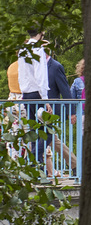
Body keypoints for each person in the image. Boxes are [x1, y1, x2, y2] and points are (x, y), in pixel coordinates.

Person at [18, 28, 50, 168]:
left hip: (26, 94)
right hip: (37, 94)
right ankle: (35, 160)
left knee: (33, 131)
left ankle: (36, 163)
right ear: (40, 33)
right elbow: (40, 75)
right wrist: (45, 98)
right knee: (47, 130)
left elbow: (21, 74)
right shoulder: (38, 49)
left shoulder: (22, 50)